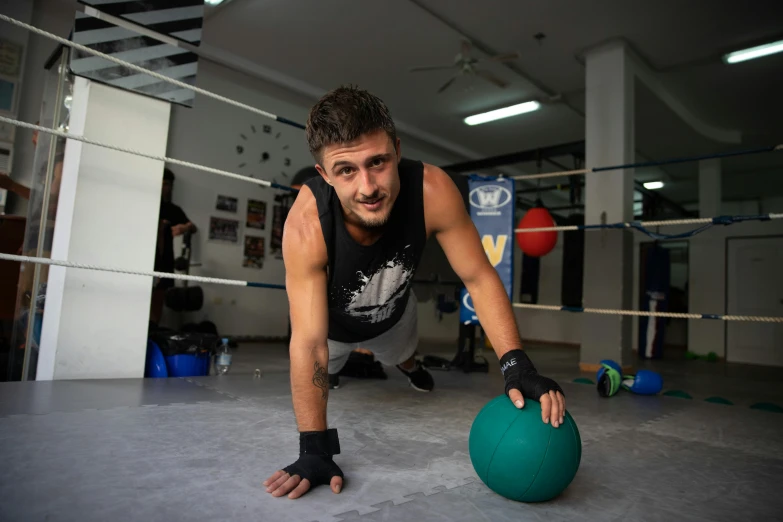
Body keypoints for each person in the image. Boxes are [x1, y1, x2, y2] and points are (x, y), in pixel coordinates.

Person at [263, 86, 565, 500]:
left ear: (397, 151)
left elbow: (478, 276)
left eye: (378, 162)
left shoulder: (432, 191)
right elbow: (309, 340)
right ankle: (358, 367)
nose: (368, 186)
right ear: (324, 175)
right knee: (326, 369)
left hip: (394, 313)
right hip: (332, 331)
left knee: (401, 355)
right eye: (346, 170)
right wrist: (314, 448)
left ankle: (408, 367)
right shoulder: (306, 225)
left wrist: (518, 367)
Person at [151, 168, 197, 325]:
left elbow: (193, 227)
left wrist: (183, 228)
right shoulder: (146, 205)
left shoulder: (173, 210)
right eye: (163, 183)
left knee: (158, 299)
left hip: (164, 262)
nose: (165, 188)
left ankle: (153, 332)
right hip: (145, 260)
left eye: (168, 184)